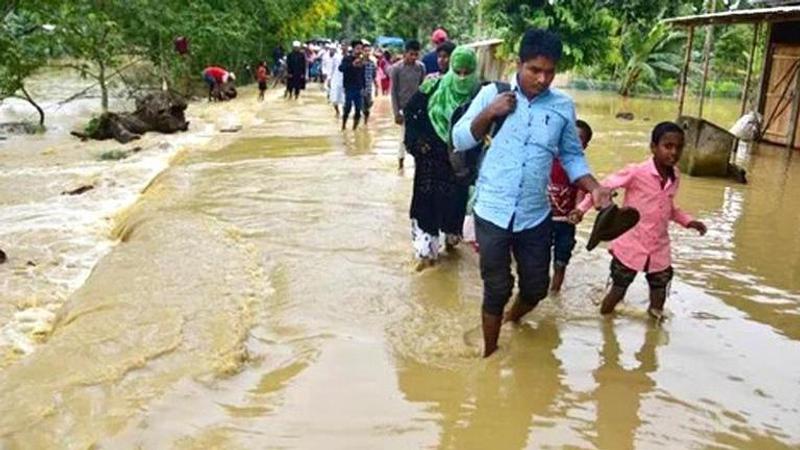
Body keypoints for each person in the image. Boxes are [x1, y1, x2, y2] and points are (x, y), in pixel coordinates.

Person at [452, 28, 612, 358]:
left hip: (534, 214)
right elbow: (460, 139)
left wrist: (594, 188)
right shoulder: (491, 94)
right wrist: (489, 113)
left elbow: (571, 155)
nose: (542, 79)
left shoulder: (562, 107)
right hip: (492, 210)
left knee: (537, 288)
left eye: (550, 72)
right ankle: (490, 356)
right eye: (534, 70)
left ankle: (511, 319)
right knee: (497, 287)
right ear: (519, 63)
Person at [573, 121, 708, 320]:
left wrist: (688, 221)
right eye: (667, 146)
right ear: (653, 147)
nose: (674, 152)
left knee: (659, 295)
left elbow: (668, 208)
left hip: (658, 249)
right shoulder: (637, 172)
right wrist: (581, 209)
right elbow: (602, 189)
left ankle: (651, 341)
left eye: (678, 147)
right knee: (617, 291)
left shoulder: (675, 176)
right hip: (631, 245)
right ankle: (604, 328)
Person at [405, 46, 480, 268]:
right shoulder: (432, 86)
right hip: (430, 159)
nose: (462, 78)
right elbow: (411, 113)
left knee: (453, 212)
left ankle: (450, 240)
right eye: (458, 72)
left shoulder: (479, 95)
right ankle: (426, 255)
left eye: (468, 72)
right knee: (426, 209)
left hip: (458, 165)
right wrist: (418, 145)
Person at [548, 119, 592, 293]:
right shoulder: (547, 159)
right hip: (541, 220)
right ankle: (537, 289)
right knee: (538, 258)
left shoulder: (579, 168)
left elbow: (581, 192)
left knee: (561, 261)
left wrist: (578, 211)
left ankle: (554, 292)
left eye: (579, 138)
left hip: (565, 223)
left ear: (585, 145)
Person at [391, 39, 426, 170]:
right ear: (405, 53)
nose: (413, 57)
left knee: (420, 136)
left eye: (416, 55)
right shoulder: (396, 69)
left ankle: (418, 163)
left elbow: (423, 88)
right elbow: (393, 92)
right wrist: (396, 113)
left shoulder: (421, 67)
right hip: (403, 108)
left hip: (418, 108)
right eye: (411, 54)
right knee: (403, 137)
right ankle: (400, 164)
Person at [339, 39, 367, 131]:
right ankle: (343, 125)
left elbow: (363, 75)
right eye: (357, 48)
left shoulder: (362, 60)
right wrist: (352, 64)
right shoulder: (347, 58)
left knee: (358, 109)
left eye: (361, 49)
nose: (359, 50)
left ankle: (354, 129)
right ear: (354, 49)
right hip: (349, 87)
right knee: (347, 107)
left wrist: (364, 87)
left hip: (358, 87)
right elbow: (341, 68)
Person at [361, 44, 379, 124]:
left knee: (368, 108)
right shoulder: (358, 62)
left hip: (368, 89)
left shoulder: (372, 63)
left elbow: (374, 76)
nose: (367, 52)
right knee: (360, 107)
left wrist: (377, 88)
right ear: (362, 51)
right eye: (365, 51)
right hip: (360, 89)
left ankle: (365, 122)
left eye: (369, 51)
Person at [327, 45, 345, 116]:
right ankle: (337, 112)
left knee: (344, 98)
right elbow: (331, 68)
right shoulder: (336, 57)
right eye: (343, 46)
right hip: (335, 78)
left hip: (346, 79)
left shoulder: (350, 57)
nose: (344, 47)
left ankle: (344, 113)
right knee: (334, 98)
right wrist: (329, 78)